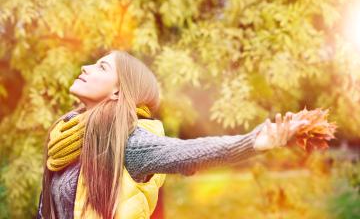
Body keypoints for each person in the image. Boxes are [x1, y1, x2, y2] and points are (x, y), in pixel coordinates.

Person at [36, 50, 308, 219]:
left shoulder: (127, 142)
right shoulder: (64, 138)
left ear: (118, 92)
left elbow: (187, 153)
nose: (86, 68)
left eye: (102, 67)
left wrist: (252, 142)